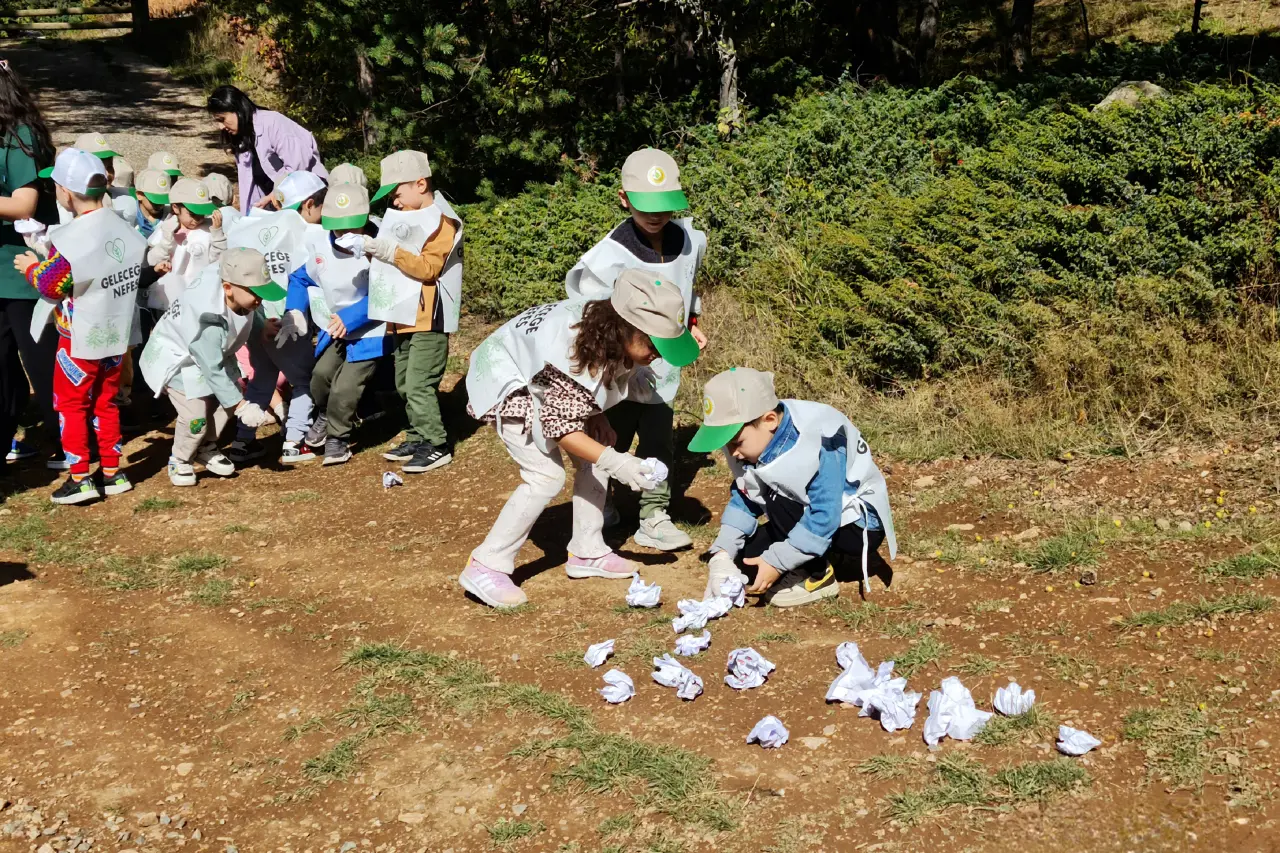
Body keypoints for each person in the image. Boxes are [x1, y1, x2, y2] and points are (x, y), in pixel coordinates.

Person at [461, 269, 702, 609]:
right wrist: (617, 460)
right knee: (546, 476)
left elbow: (585, 387)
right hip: (506, 380)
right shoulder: (577, 352)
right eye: (653, 344)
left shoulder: (607, 330)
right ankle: (485, 564)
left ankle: (587, 551)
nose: (657, 354)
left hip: (545, 377)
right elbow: (559, 424)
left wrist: (597, 414)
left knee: (596, 452)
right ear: (625, 327)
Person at [565, 148, 708, 552]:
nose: (656, 215)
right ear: (623, 198)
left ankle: (654, 514)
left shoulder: (689, 240)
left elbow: (687, 291)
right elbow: (588, 314)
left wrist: (691, 326)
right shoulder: (607, 256)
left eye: (664, 206)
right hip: (620, 367)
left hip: (663, 366)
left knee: (660, 438)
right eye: (645, 205)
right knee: (612, 434)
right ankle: (599, 502)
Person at [690, 367, 898, 608]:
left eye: (736, 443)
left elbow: (824, 514)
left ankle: (818, 575)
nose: (733, 453)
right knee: (746, 559)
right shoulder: (761, 435)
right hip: (807, 510)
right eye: (725, 445)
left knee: (777, 501)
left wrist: (777, 562)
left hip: (857, 526)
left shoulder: (817, 439)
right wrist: (722, 553)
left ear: (769, 420)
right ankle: (812, 553)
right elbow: (746, 494)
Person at [15, 148, 146, 504]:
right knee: (106, 402)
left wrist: (30, 266)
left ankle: (80, 476)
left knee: (71, 405)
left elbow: (52, 284)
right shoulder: (121, 225)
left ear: (65, 191)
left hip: (79, 339)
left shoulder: (72, 238)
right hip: (116, 333)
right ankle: (113, 471)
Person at [138, 248, 282, 487]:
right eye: (255, 292)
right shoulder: (209, 320)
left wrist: (261, 327)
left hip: (214, 353)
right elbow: (211, 367)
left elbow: (247, 313)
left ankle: (207, 446)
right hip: (180, 360)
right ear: (228, 288)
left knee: (225, 403)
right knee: (196, 417)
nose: (260, 299)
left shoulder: (235, 289)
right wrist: (242, 406)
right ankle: (181, 459)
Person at [366, 150, 462, 474]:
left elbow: (429, 268)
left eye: (397, 194)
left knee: (420, 383)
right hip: (402, 317)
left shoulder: (442, 220)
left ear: (420, 183)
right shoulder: (404, 219)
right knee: (404, 383)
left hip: (428, 318)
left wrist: (392, 252)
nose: (394, 202)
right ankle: (419, 435)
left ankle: (437, 444)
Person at [225, 169, 321, 465]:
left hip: (255, 317)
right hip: (285, 321)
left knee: (261, 379)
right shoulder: (305, 230)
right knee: (304, 380)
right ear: (308, 205)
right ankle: (294, 441)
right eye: (320, 206)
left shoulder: (251, 224)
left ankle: (242, 440)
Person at [0, 59, 61, 472]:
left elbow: (24, 205)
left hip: (23, 267)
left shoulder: (19, 136)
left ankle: (69, 440)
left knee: (40, 360)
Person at [300, 182, 387, 465]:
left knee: (346, 386)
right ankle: (326, 414)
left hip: (373, 329)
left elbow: (388, 290)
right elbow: (301, 278)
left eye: (351, 227)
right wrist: (294, 314)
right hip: (337, 328)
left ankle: (338, 437)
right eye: (337, 227)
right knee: (321, 376)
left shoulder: (381, 242)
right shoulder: (319, 244)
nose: (343, 234)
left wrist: (352, 318)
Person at [207, 85, 327, 214]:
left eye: (222, 119)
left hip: (308, 202)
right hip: (277, 203)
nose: (220, 126)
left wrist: (273, 195)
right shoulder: (241, 138)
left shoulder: (273, 123)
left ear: (237, 109)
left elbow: (299, 169)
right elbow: (248, 184)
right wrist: (250, 216)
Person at [146, 177, 226, 307]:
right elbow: (152, 261)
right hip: (165, 299)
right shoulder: (166, 227)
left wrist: (218, 235)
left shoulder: (209, 230)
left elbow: (218, 262)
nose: (198, 219)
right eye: (193, 214)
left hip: (196, 297)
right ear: (176, 208)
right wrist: (166, 239)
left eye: (202, 214)